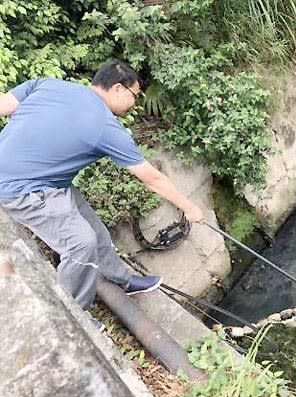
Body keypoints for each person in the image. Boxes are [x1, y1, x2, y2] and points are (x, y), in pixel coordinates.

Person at [0, 60, 205, 324]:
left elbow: (4, 105)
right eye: (134, 95)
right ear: (118, 89)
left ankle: (124, 279)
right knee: (80, 244)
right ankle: (71, 317)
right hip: (21, 190)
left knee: (95, 230)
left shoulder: (50, 85)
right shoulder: (105, 127)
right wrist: (189, 207)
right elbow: (152, 178)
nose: (134, 103)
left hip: (50, 183)